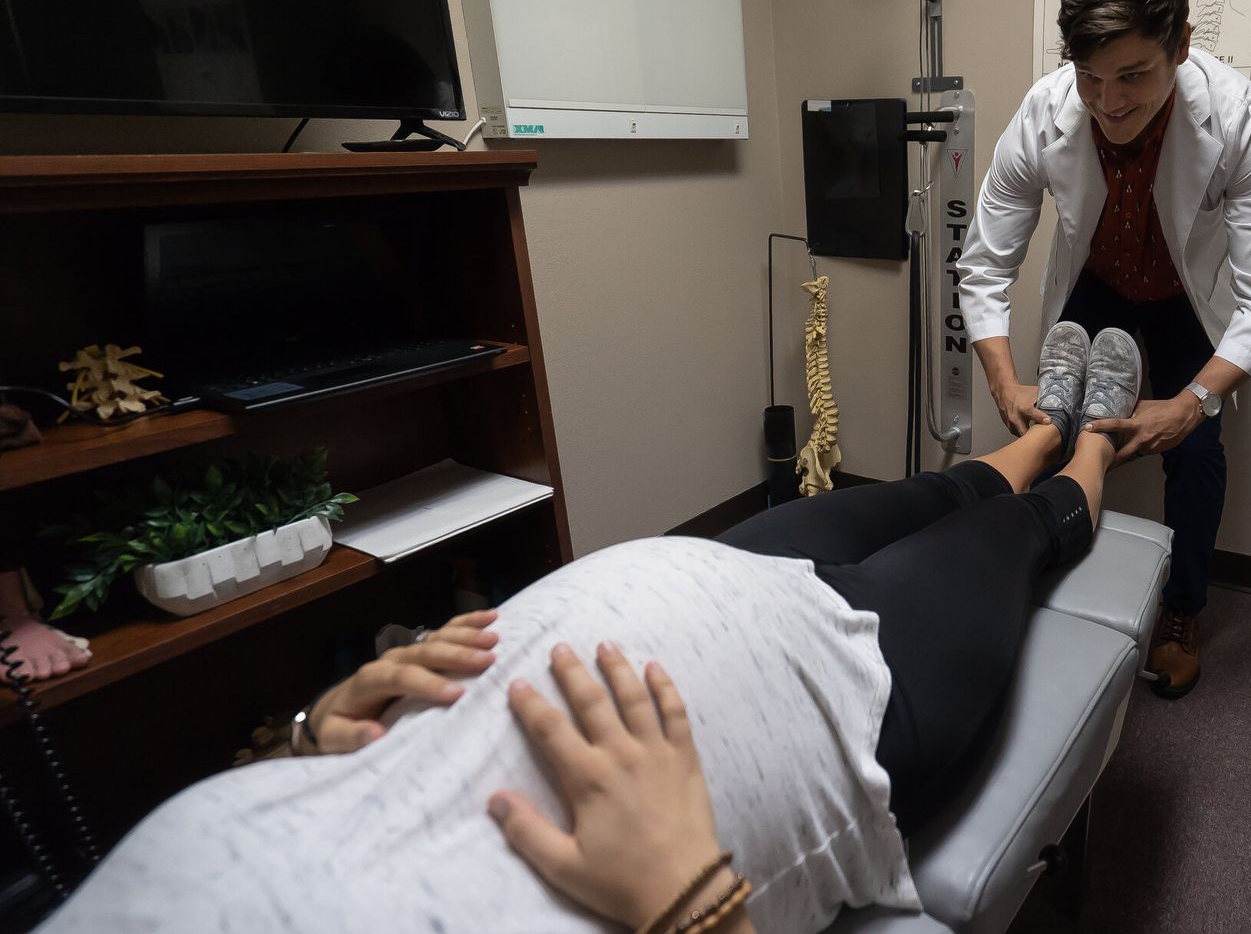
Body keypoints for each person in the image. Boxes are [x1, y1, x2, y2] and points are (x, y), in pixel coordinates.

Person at [35, 324, 1144, 934]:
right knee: (1024, 536)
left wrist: (306, 736)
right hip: (845, 699)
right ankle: (1091, 441)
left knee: (942, 490)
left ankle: (1037, 425)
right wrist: (695, 913)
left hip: (706, 567)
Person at [959, 0, 1251, 700]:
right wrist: (1001, 379)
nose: (1109, 101)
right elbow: (986, 260)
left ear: (1181, 45)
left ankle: (1182, 610)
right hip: (1100, 278)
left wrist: (1192, 402)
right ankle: (1028, 583)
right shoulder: (1046, 112)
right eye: (1090, 77)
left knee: (1198, 448)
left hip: (1183, 292)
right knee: (1054, 422)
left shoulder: (1240, 121)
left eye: (1133, 76)